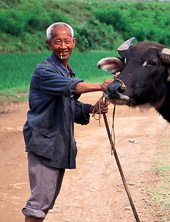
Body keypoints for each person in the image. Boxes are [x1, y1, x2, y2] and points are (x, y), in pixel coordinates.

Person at [22, 22, 113, 222]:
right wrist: (101, 86)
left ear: (74, 42)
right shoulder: (44, 71)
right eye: (57, 42)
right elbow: (71, 87)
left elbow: (68, 105)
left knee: (45, 204)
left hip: (57, 146)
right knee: (38, 206)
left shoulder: (66, 71)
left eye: (66, 41)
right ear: (49, 44)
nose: (63, 46)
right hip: (44, 145)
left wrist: (91, 109)